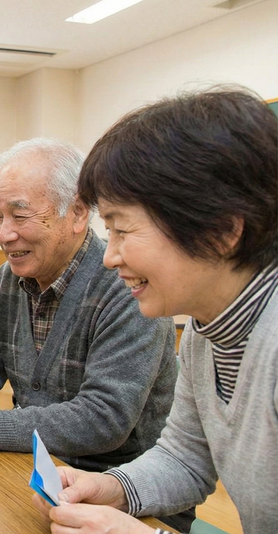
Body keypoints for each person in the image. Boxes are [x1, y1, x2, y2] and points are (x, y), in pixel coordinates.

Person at [33, 89, 277, 533]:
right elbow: (184, 458)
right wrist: (110, 487)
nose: (110, 257)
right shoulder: (208, 331)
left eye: (123, 229)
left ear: (222, 230)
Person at [0, 138, 179, 474]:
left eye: (19, 215)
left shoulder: (126, 289)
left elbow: (103, 418)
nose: (4, 234)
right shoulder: (6, 281)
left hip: (118, 488)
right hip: (33, 467)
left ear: (78, 213)